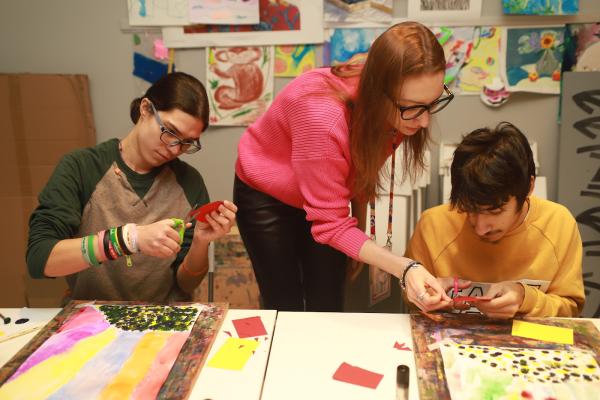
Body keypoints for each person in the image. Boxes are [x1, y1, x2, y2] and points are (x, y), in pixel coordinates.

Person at [234, 21, 453, 312]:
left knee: (327, 303)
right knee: (285, 306)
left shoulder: (400, 108)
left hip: (323, 193)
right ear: (378, 92)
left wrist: (358, 234)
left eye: (432, 103)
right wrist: (406, 268)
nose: (424, 121)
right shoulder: (323, 118)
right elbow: (331, 224)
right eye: (413, 107)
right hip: (267, 195)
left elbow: (360, 171)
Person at [26, 72, 237, 303]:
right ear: (145, 109)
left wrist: (200, 242)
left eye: (187, 142)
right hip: (91, 317)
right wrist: (127, 239)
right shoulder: (82, 168)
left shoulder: (189, 182)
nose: (175, 149)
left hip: (162, 318)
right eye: (169, 132)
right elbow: (40, 259)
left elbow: (185, 283)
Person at [406, 122, 584, 318]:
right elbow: (411, 303)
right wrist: (424, 295)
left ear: (528, 188)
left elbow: (570, 310)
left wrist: (525, 298)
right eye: (469, 209)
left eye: (495, 211)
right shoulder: (433, 225)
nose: (480, 228)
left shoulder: (558, 224)